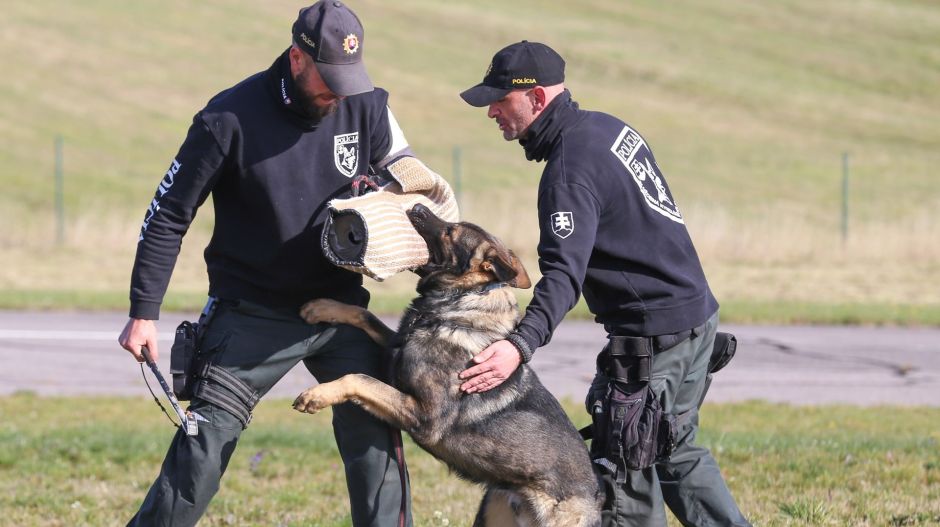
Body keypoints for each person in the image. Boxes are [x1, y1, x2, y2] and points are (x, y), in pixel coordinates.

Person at [117, 2, 417, 525]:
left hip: (342, 310)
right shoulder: (227, 119)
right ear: (297, 58)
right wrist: (144, 311)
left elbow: (410, 182)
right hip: (252, 312)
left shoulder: (367, 103)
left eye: (348, 79)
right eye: (329, 80)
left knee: (377, 444)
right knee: (201, 452)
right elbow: (168, 214)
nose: (339, 94)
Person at [457, 41, 751, 526]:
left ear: (537, 97)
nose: (491, 111)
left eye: (500, 99)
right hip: (695, 318)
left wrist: (518, 346)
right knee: (676, 452)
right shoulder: (608, 129)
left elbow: (563, 277)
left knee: (627, 477)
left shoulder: (568, 172)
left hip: (653, 339)